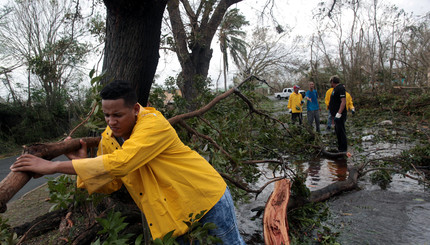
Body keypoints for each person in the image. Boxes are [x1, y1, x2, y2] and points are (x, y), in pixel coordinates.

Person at [11, 80, 245, 244]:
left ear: (135, 109)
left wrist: (51, 167)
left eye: (117, 115)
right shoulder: (109, 138)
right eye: (106, 115)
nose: (111, 122)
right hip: (171, 213)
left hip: (204, 198)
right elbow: (112, 181)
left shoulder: (153, 124)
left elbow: (121, 163)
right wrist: (83, 163)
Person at [328, 75, 348, 152]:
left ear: (333, 82)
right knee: (338, 131)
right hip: (335, 114)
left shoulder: (340, 88)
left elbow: (343, 101)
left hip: (340, 115)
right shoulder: (335, 89)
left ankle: (343, 149)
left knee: (341, 131)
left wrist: (339, 113)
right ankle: (340, 147)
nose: (331, 84)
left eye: (331, 82)